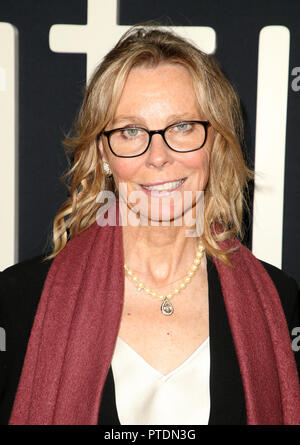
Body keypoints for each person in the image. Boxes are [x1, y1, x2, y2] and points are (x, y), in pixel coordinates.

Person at [1, 24, 300, 426]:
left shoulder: (279, 303)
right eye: (130, 131)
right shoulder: (19, 302)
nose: (158, 156)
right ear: (104, 152)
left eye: (182, 127)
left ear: (216, 143)